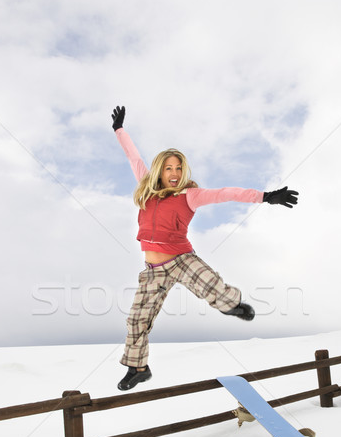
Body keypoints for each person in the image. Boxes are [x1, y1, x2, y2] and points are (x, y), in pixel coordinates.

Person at [111, 105, 299, 390]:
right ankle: (139, 368)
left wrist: (265, 196)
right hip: (153, 270)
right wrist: (119, 129)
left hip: (181, 259)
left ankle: (232, 304)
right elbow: (132, 156)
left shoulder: (191, 195)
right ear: (159, 170)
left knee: (210, 285)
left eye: (178, 168)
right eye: (168, 168)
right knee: (136, 319)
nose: (174, 173)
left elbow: (226, 194)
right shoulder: (146, 187)